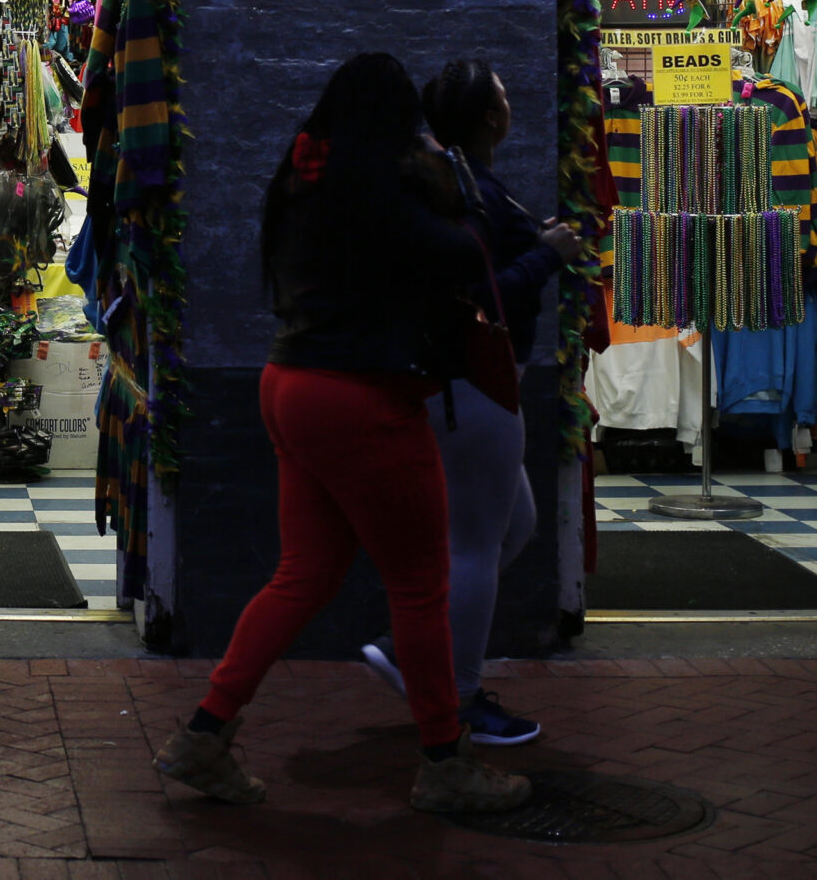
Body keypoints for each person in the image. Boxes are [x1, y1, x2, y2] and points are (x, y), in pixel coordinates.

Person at [153, 53, 533, 814]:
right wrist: (453, 179)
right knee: (423, 584)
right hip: (363, 396)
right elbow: (467, 255)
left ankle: (204, 733)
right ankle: (445, 761)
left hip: (288, 385)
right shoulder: (384, 188)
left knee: (303, 575)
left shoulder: (305, 180)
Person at [357, 59, 576, 747]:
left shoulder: (465, 182)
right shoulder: (465, 187)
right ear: (489, 116)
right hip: (474, 382)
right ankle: (460, 695)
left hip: (478, 384)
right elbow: (483, 290)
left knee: (515, 526)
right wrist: (548, 253)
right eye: (505, 93)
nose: (512, 102)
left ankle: (414, 647)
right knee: (478, 542)